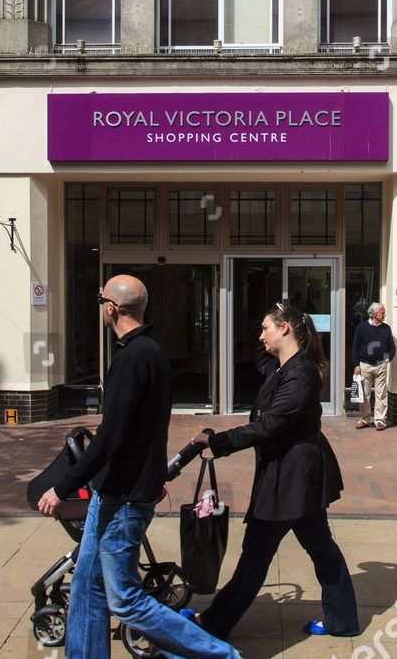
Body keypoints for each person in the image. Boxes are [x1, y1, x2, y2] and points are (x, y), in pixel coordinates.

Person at [37, 275, 240, 659]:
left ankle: (219, 654)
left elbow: (110, 437)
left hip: (123, 496)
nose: (100, 306)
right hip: (119, 490)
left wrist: (63, 487)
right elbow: (139, 430)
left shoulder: (131, 358)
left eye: (100, 300)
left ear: (111, 308)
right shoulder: (151, 351)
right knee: (87, 585)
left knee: (125, 599)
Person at [187, 302, 359, 641]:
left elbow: (269, 426)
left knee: (255, 554)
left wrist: (217, 442)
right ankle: (343, 621)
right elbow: (261, 358)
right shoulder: (284, 367)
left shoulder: (301, 374)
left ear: (285, 329)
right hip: (297, 475)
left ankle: (214, 623)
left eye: (267, 327)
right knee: (321, 546)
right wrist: (272, 315)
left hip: (292, 477)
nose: (261, 334)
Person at [351, 301, 396, 430]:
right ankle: (364, 419)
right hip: (365, 365)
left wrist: (388, 359)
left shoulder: (386, 328)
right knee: (365, 394)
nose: (384, 314)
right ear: (374, 314)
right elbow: (355, 347)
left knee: (381, 393)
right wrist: (356, 364)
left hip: (381, 365)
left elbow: (391, 347)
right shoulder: (361, 328)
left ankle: (380, 420)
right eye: (382, 312)